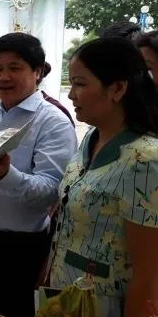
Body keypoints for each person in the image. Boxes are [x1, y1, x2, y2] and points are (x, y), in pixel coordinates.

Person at [0, 33, 78, 317]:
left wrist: (4, 174)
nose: (3, 76)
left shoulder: (52, 122)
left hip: (20, 253)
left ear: (38, 71)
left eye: (14, 67)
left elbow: (51, 191)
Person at [49, 37, 158, 317]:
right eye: (71, 83)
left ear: (118, 88)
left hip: (105, 305)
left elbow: (147, 274)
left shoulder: (145, 159)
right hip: (66, 299)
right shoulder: (89, 138)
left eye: (81, 84)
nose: (71, 94)